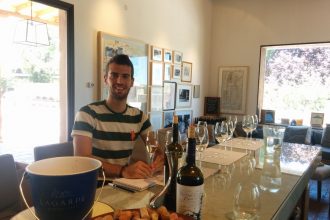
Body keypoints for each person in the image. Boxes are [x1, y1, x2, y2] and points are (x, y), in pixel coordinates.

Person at [71, 54, 163, 179]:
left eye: (125, 76)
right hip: (95, 186)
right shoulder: (87, 114)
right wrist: (123, 171)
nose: (119, 81)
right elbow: (82, 160)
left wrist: (158, 161)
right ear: (105, 79)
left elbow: (156, 150)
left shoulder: (140, 117)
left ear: (132, 82)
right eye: (114, 75)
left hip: (125, 185)